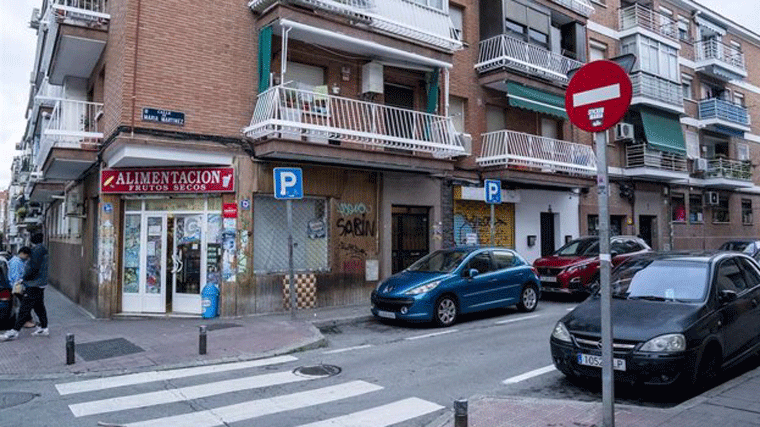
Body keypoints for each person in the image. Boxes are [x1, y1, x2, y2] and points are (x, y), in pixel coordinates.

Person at [1, 233, 49, 341]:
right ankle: (44, 328)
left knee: (24, 307)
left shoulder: (37, 251)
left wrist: (24, 278)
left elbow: (32, 268)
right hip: (40, 284)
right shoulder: (43, 249)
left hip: (33, 284)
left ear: (33, 239)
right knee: (39, 306)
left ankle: (14, 331)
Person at [8, 247, 35, 328]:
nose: (27, 258)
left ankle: (28, 320)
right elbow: (15, 276)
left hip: (20, 285)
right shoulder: (16, 262)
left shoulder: (21, 261)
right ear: (22, 253)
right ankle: (26, 321)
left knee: (25, 303)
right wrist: (20, 285)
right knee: (25, 303)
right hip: (18, 286)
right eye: (26, 256)